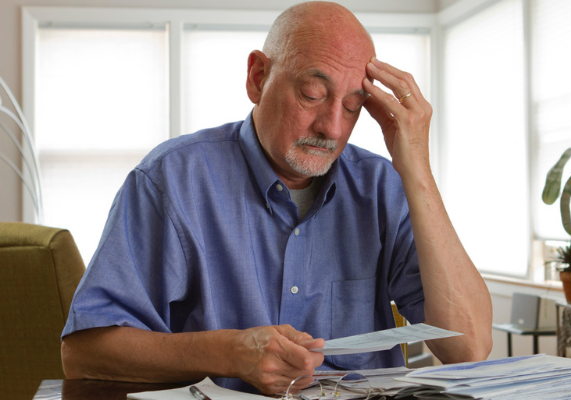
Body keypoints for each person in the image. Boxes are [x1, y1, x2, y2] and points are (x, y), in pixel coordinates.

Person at [60, 1, 493, 395]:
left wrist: (417, 171)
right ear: (258, 77)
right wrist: (228, 353)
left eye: (352, 107)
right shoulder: (171, 182)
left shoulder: (382, 187)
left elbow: (469, 347)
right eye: (313, 94)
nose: (333, 128)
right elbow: (84, 354)